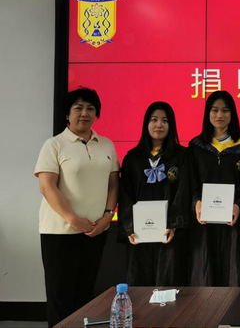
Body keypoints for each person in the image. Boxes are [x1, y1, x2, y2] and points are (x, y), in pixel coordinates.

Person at [34, 87, 119, 327]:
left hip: (95, 231)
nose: (85, 113)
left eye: (90, 108)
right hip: (60, 232)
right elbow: (47, 187)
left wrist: (108, 216)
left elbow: (114, 184)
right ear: (67, 114)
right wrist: (73, 219)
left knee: (85, 294)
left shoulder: (106, 145)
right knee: (60, 296)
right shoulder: (54, 144)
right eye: (78, 108)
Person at [186, 90, 240, 286]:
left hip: (234, 222)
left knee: (234, 272)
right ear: (208, 113)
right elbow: (191, 182)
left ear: (232, 114)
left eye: (225, 110)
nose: (219, 115)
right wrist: (196, 202)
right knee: (205, 273)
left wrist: (239, 205)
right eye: (214, 110)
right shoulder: (196, 147)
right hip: (204, 223)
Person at [117, 102, 189, 286]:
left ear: (171, 125)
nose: (159, 125)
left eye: (165, 120)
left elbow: (183, 191)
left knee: (169, 283)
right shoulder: (132, 158)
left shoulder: (182, 156)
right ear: (146, 124)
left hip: (169, 234)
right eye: (154, 120)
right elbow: (125, 194)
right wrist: (129, 227)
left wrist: (173, 223)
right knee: (139, 282)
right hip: (140, 234)